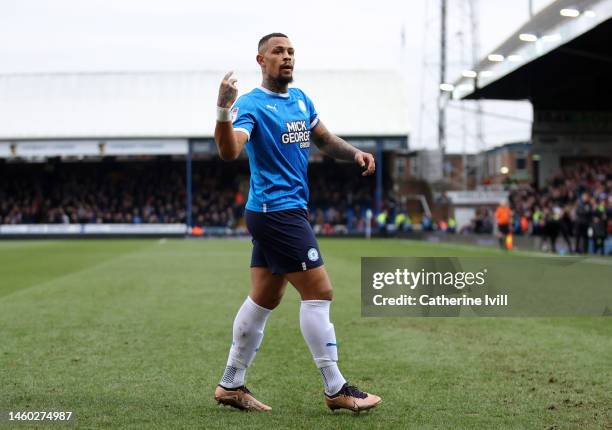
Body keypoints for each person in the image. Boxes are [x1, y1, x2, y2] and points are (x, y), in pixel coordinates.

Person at [212, 33, 381, 413]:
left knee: (266, 296)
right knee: (319, 292)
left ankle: (230, 383)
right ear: (261, 60)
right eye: (278, 52)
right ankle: (336, 388)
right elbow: (229, 150)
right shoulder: (252, 105)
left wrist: (355, 153)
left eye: (290, 52)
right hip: (277, 212)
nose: (286, 57)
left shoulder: (301, 99)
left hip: (281, 212)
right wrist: (223, 112)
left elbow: (324, 139)